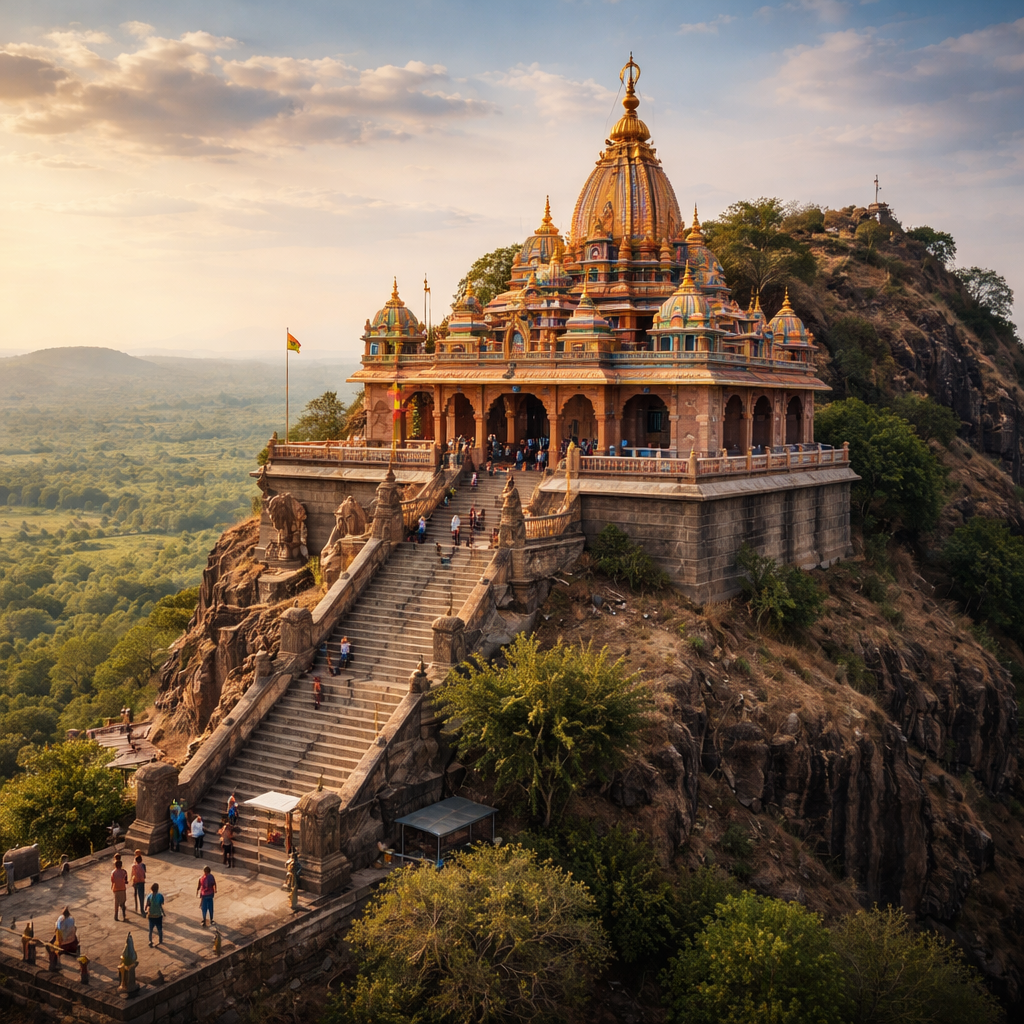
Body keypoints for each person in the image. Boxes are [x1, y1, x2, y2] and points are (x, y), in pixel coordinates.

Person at [111, 856, 129, 922]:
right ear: (121, 865)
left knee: (116, 903)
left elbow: (112, 881)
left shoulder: (113, 872)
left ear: (115, 865)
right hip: (122, 888)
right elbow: (126, 880)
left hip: (115, 889)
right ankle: (124, 916)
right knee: (123, 903)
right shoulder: (124, 872)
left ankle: (116, 916)